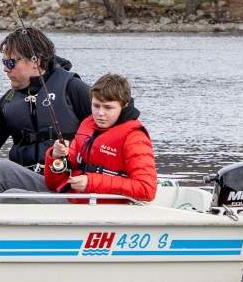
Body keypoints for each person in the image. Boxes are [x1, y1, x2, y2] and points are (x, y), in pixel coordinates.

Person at [0, 26, 90, 195]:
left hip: (64, 178)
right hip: (22, 175)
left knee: (1, 170)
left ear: (36, 61)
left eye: (10, 63)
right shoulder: (7, 101)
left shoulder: (73, 88)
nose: (5, 69)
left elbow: (111, 123)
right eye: (4, 63)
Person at [37, 73, 157, 201]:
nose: (100, 113)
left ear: (124, 106)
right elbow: (53, 183)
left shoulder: (135, 138)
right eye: (96, 105)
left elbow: (147, 189)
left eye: (108, 107)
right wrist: (56, 156)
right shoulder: (87, 124)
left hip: (93, 206)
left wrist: (91, 182)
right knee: (18, 174)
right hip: (70, 194)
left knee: (20, 196)